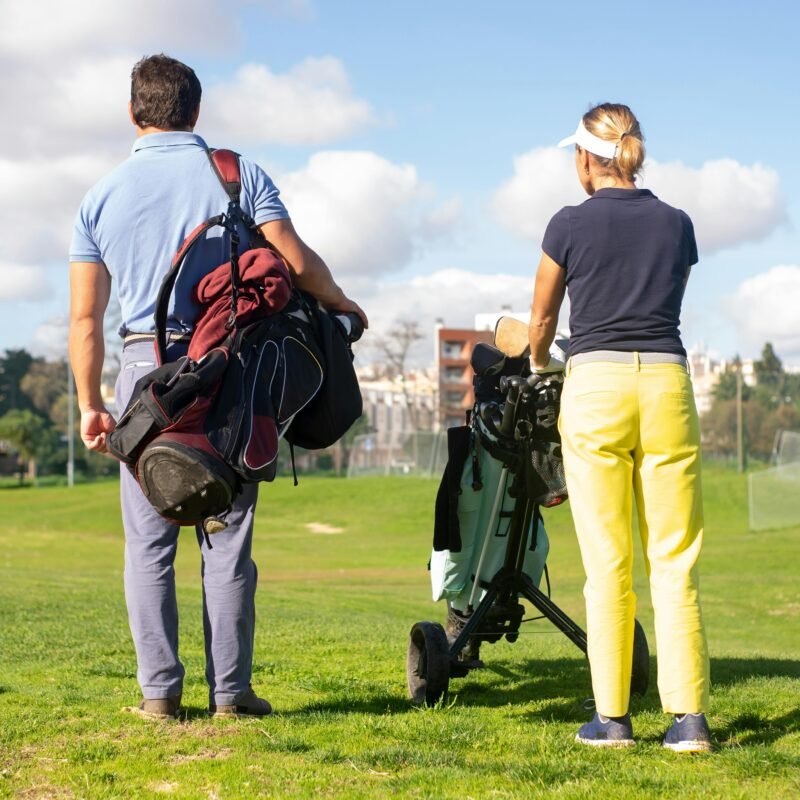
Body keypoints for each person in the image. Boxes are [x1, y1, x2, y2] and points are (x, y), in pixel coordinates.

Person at [69, 54, 367, 720]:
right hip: (227, 367)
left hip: (143, 377)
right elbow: (293, 259)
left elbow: (85, 316)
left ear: (132, 112)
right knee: (226, 536)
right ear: (195, 111)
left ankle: (159, 696)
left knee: (149, 543)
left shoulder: (99, 196)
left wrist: (92, 404)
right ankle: (231, 695)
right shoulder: (237, 175)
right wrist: (344, 301)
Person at [527, 103, 711, 752]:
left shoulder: (568, 224)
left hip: (597, 388)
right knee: (674, 559)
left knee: (609, 563)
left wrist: (537, 361)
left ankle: (613, 719)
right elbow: (663, 292)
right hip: (666, 384)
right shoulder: (677, 224)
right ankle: (688, 721)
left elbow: (542, 320)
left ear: (584, 158)